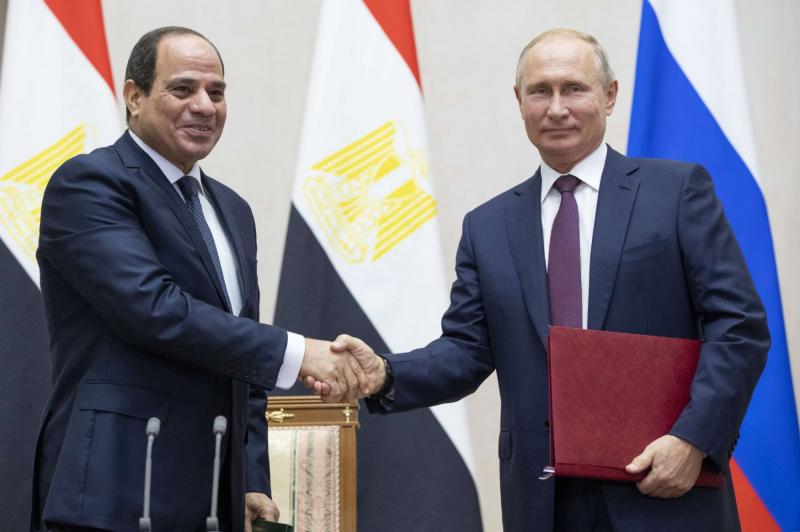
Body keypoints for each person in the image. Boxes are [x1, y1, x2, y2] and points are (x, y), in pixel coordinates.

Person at [315, 29, 770, 531]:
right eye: (540, 91)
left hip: (663, 486)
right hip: (544, 502)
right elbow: (466, 351)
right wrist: (385, 373)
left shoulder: (677, 192)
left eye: (574, 88)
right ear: (519, 101)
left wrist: (694, 440)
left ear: (610, 95)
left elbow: (739, 326)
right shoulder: (488, 226)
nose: (556, 108)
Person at [32, 27, 368, 532]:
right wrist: (300, 354)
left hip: (213, 494)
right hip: (118, 487)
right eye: (183, 89)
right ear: (134, 97)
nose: (205, 105)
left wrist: (250, 477)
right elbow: (153, 309)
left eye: (217, 91)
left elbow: (241, 360)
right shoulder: (90, 184)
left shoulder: (233, 210)